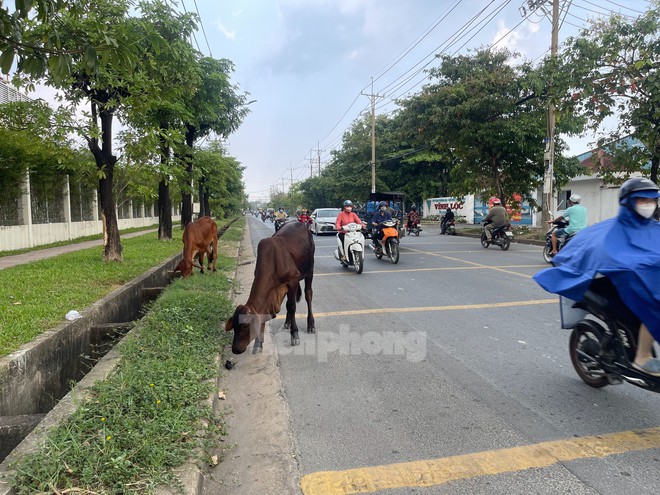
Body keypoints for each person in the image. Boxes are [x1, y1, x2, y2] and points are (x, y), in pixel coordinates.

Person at [534, 177, 660, 376]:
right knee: (655, 307)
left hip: (648, 283)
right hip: (624, 287)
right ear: (628, 202)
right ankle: (642, 357)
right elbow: (606, 255)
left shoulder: (654, 228)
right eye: (642, 200)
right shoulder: (611, 230)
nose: (648, 204)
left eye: (652, 200)